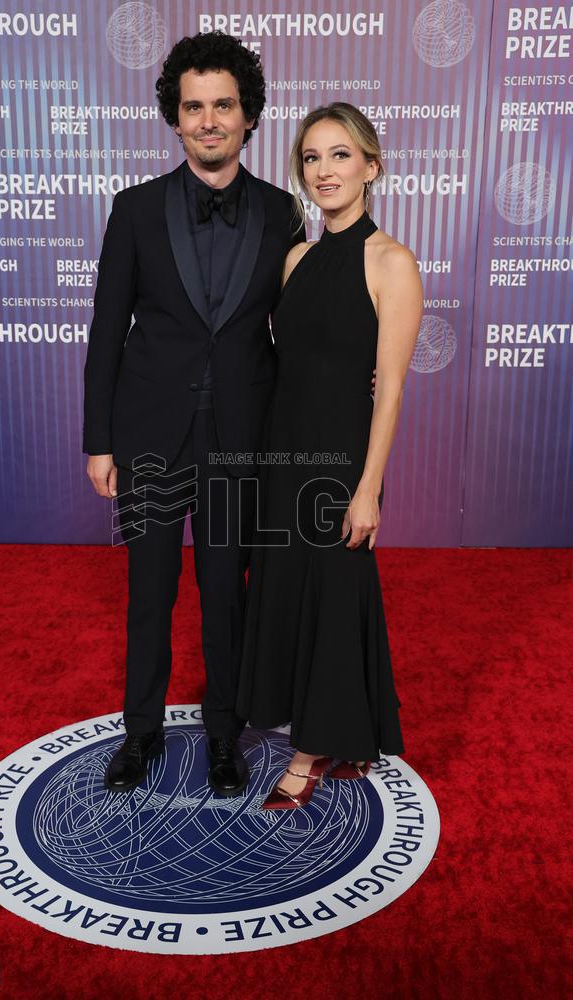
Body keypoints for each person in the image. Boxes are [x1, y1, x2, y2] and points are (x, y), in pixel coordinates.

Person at [82, 32, 309, 797]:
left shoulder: (284, 215)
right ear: (173, 120)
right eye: (193, 107)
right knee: (149, 594)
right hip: (148, 437)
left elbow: (302, 333)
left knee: (226, 593)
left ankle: (224, 734)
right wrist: (98, 441)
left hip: (240, 441)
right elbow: (107, 331)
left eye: (223, 106)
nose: (208, 121)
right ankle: (138, 734)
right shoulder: (135, 210)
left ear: (249, 117)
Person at [236, 103, 423, 810]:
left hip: (342, 458)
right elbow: (289, 360)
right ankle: (352, 730)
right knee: (292, 587)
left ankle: (311, 751)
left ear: (371, 166)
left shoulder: (391, 261)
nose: (324, 170)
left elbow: (392, 384)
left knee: (336, 593)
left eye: (340, 155)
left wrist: (368, 486)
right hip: (284, 451)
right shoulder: (296, 258)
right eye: (312, 157)